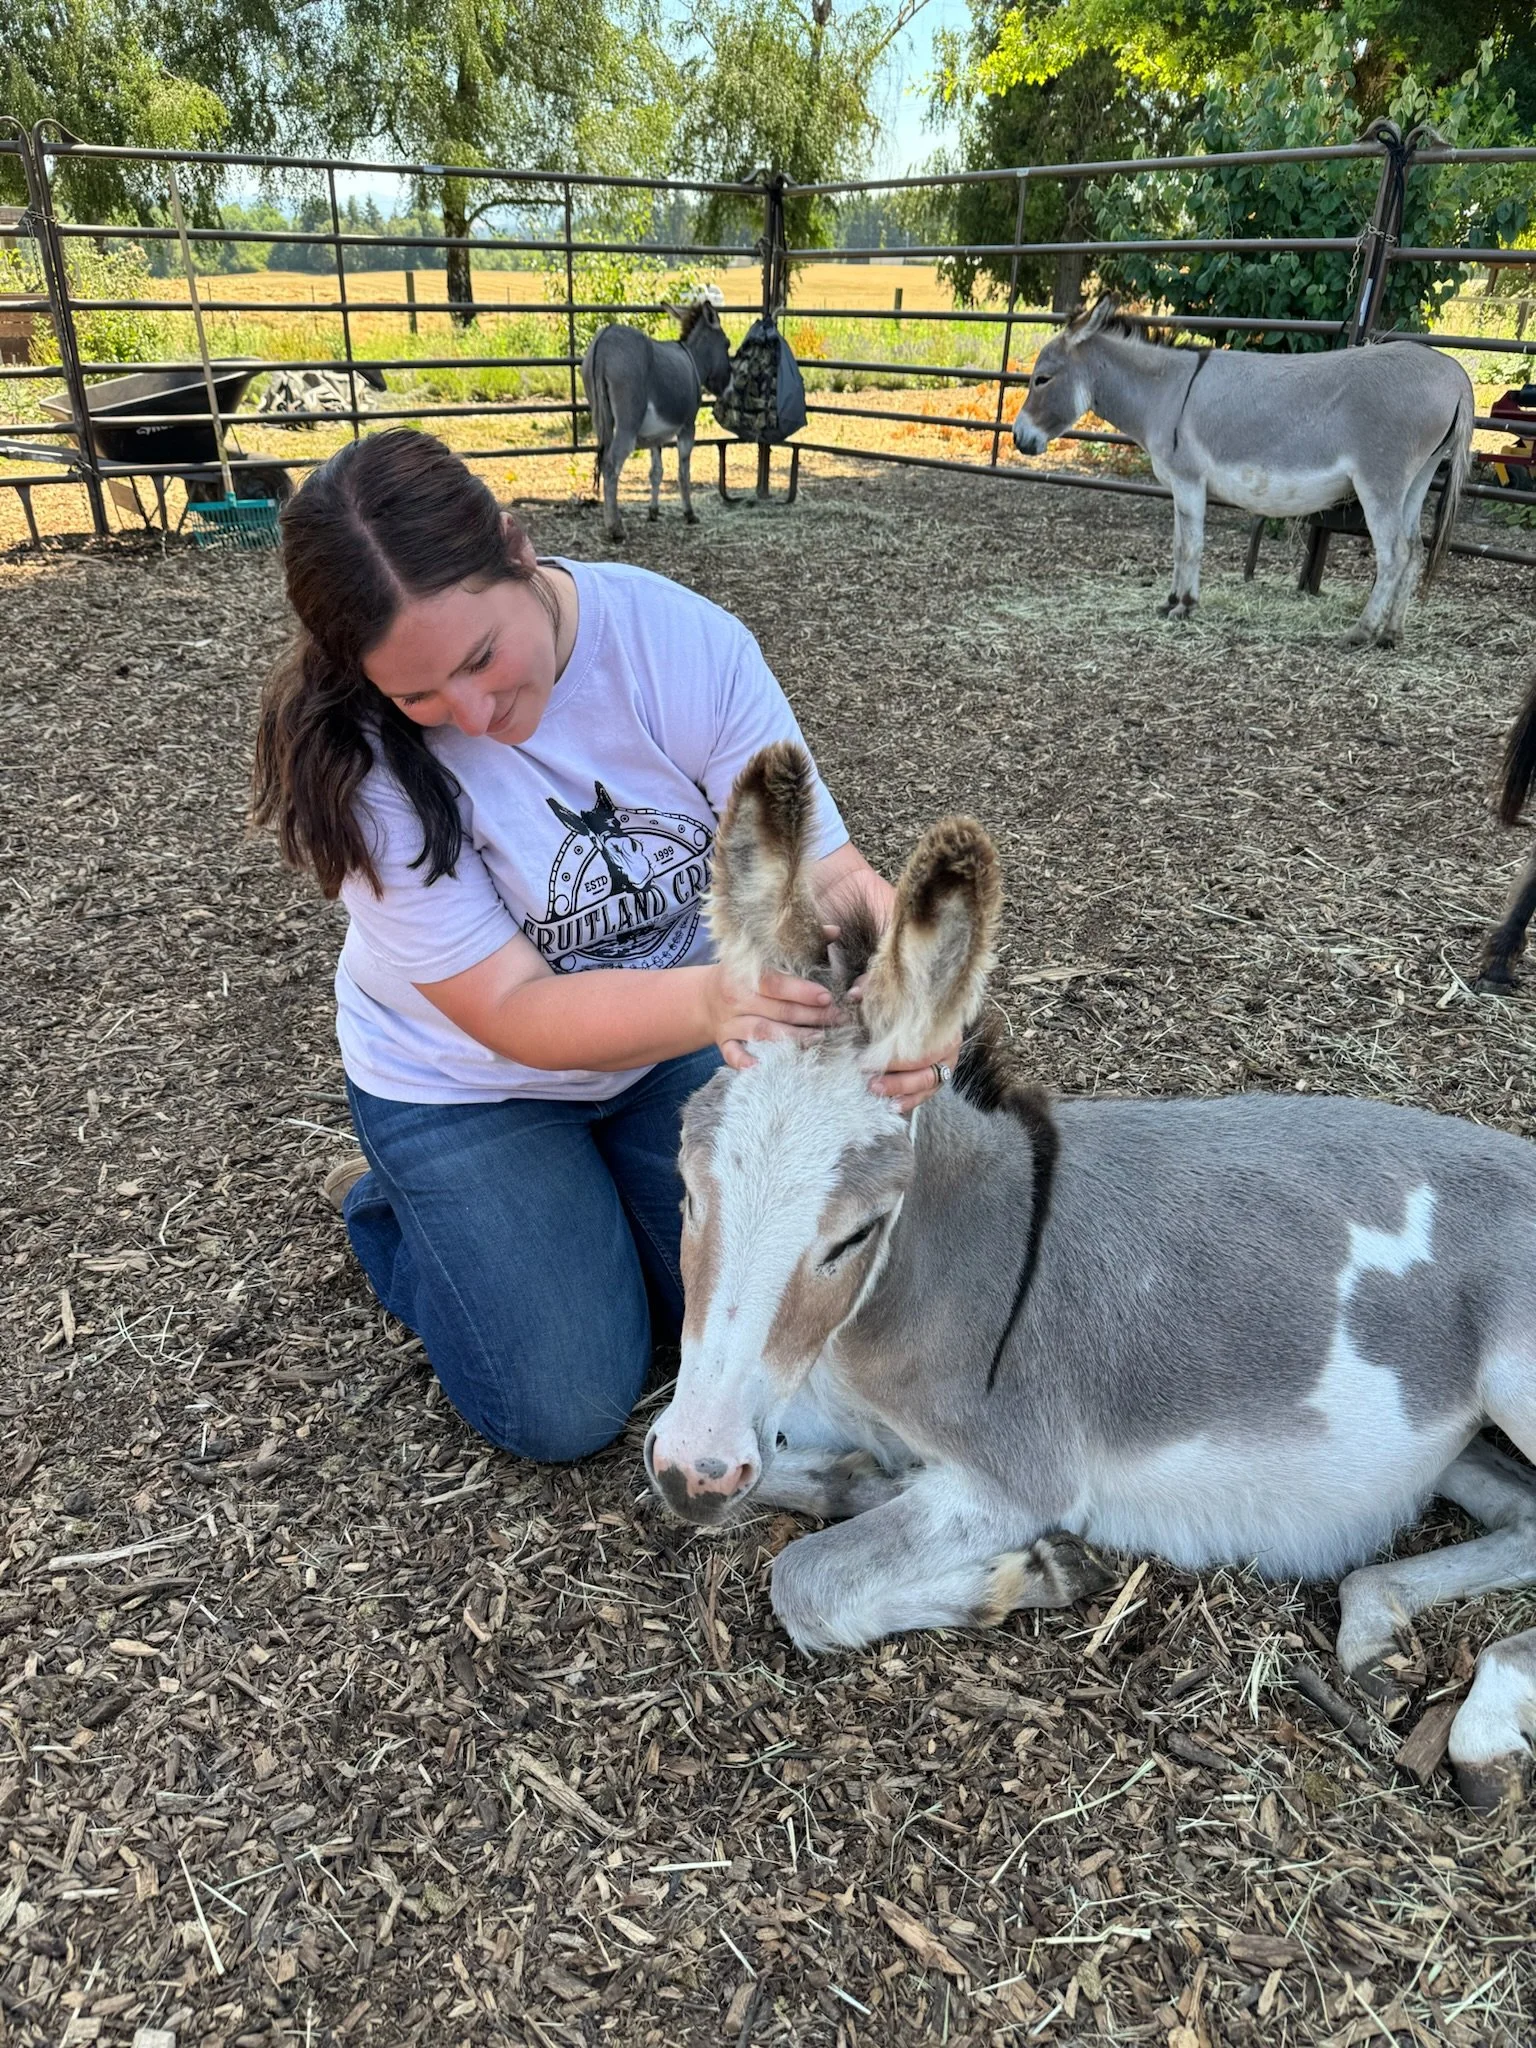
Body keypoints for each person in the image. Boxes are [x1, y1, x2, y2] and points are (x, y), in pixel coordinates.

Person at [252, 428, 957, 1463]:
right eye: (420, 698)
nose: (476, 715)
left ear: (518, 547)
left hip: (670, 1036)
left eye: (481, 659)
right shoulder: (354, 765)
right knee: (569, 1401)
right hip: (470, 1081)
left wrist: (913, 987)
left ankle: (577, 1222)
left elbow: (825, 870)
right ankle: (404, 1217)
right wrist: (719, 1003)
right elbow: (512, 1012)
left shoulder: (682, 644)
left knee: (792, 1311)